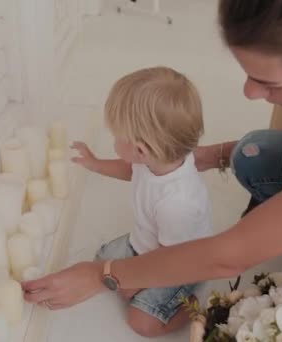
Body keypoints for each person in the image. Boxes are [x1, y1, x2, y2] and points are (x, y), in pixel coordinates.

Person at [22, 0, 282, 317]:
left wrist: (102, 276)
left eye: (272, 82)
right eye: (250, 74)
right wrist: (194, 157)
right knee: (266, 149)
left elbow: (233, 254)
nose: (250, 92)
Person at [68, 66, 212, 337]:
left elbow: (172, 259)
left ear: (141, 150)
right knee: (101, 260)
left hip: (180, 262)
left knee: (141, 323)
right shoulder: (157, 161)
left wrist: (137, 280)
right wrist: (95, 163)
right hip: (148, 243)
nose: (114, 141)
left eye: (117, 137)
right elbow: (130, 169)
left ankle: (193, 307)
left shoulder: (177, 204)